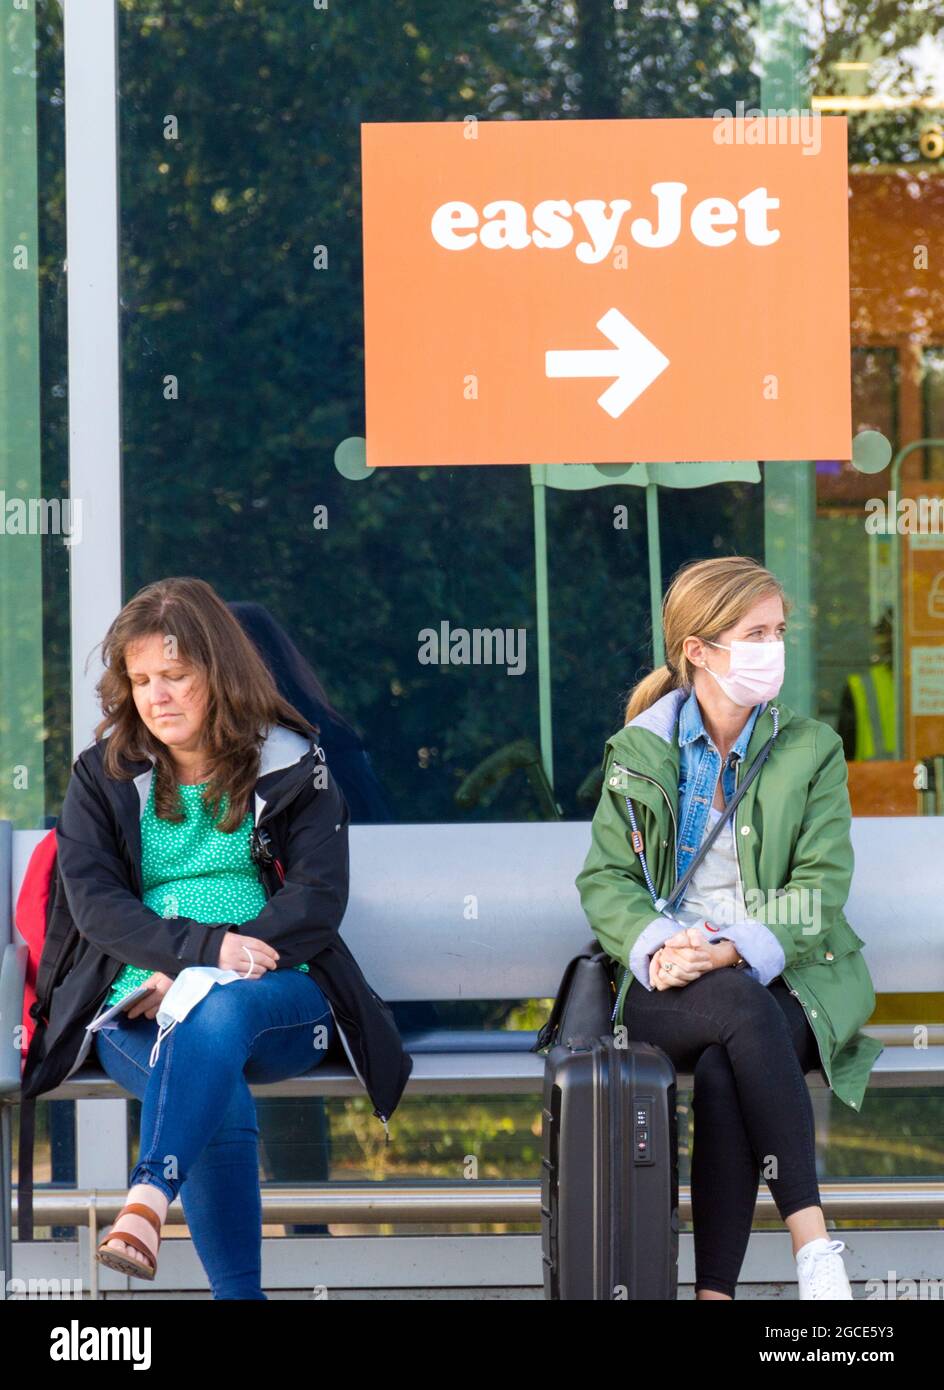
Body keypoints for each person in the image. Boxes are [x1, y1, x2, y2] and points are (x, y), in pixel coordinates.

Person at [25, 576, 411, 1299]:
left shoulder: (297, 761)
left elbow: (317, 900)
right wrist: (194, 957)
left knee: (219, 1013)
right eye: (141, 680)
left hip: (277, 992)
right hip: (136, 1000)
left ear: (221, 674)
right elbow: (97, 906)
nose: (156, 695)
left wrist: (216, 968)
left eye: (175, 675)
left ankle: (145, 1200)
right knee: (213, 1080)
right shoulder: (102, 774)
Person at [575, 555, 883, 1301]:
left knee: (728, 1054)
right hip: (668, 980)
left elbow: (819, 888)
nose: (773, 648)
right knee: (734, 1015)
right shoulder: (639, 754)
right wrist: (658, 947)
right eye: (755, 633)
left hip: (787, 981)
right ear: (698, 651)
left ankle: (715, 1295)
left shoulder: (811, 750)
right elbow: (606, 879)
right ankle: (814, 1247)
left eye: (778, 631)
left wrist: (732, 949)